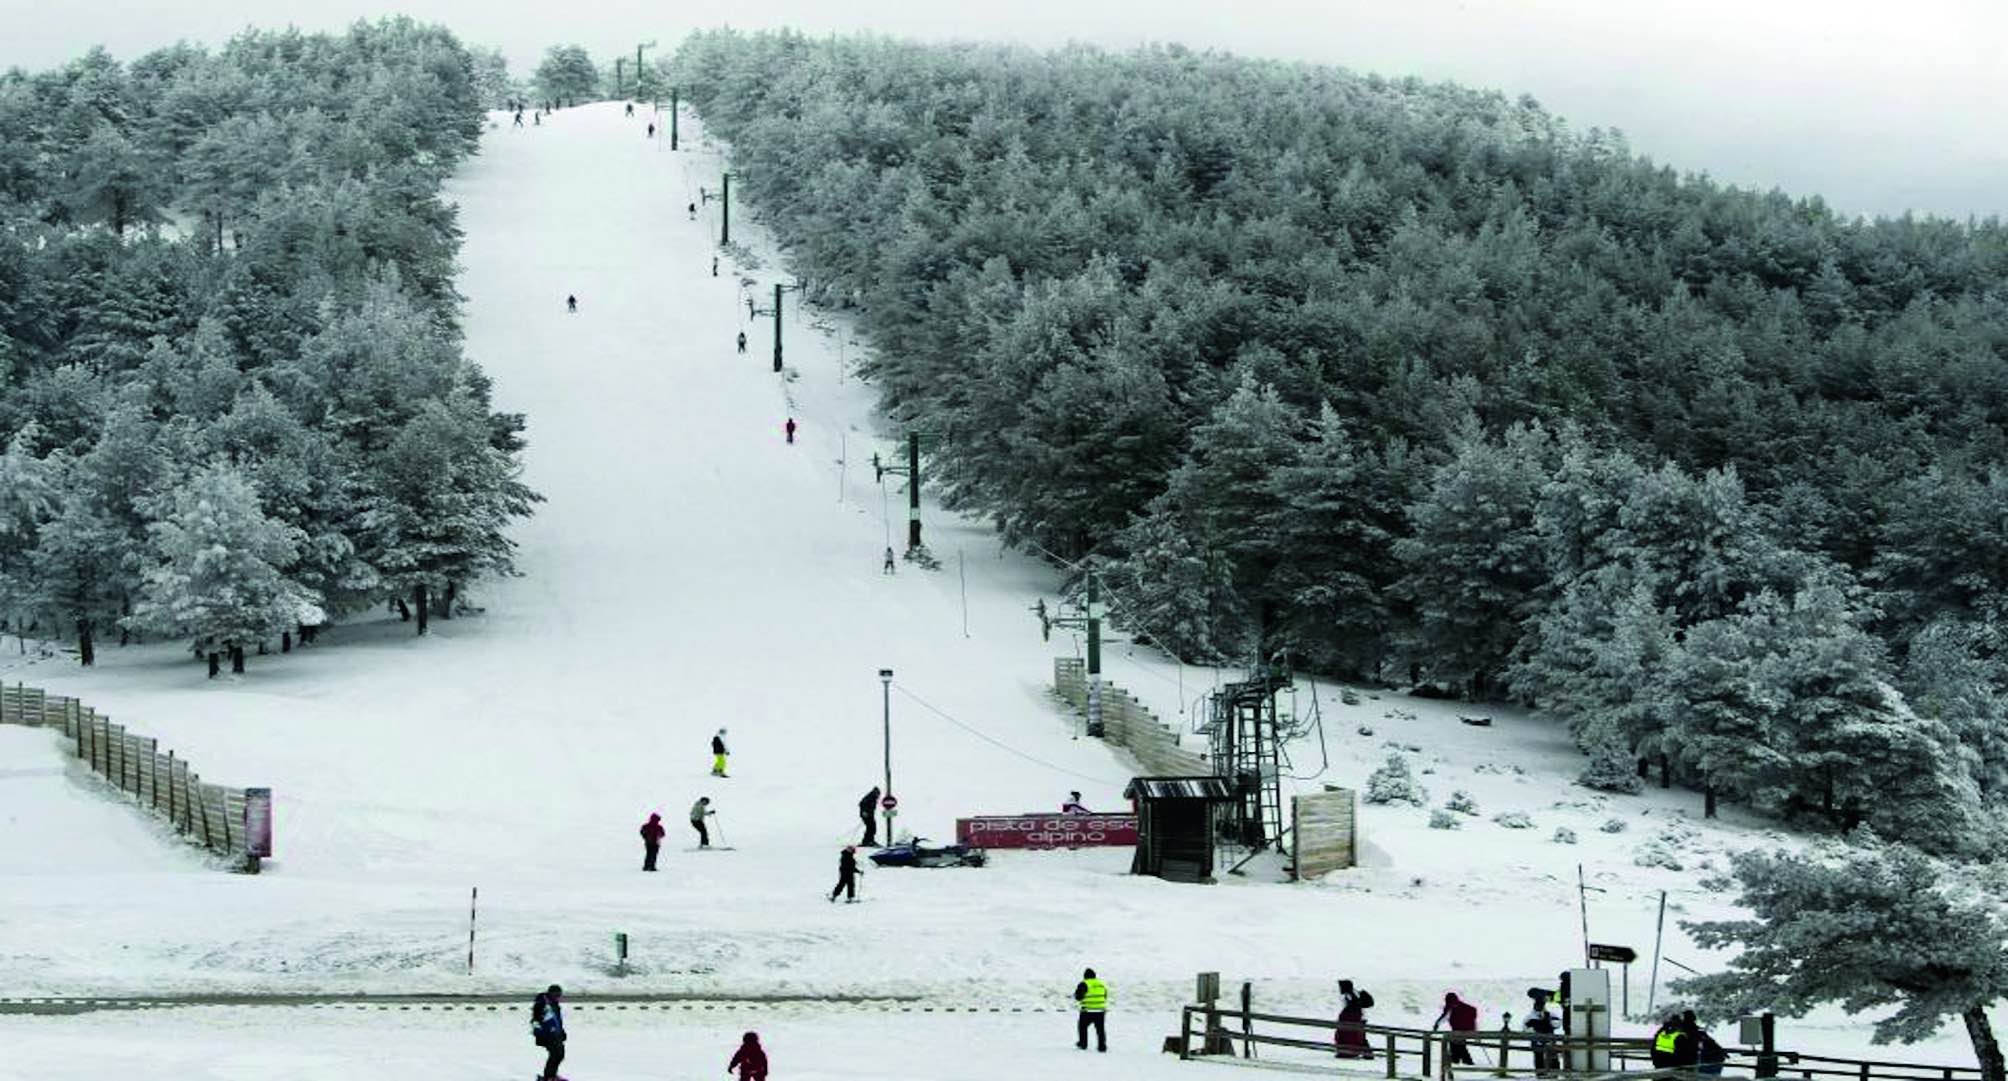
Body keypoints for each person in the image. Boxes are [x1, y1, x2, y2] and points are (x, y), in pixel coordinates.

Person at [531, 984, 565, 1080]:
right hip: (547, 1035)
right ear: (550, 993)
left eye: (559, 995)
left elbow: (557, 1019)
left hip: (556, 1033)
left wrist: (562, 1031)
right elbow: (535, 1021)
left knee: (559, 1054)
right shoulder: (541, 1004)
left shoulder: (554, 1004)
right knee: (555, 1054)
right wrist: (540, 1035)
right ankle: (548, 1077)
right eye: (556, 995)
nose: (558, 997)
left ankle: (552, 1075)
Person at [1434, 992, 1478, 1066]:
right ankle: (1460, 1060)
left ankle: (1462, 1060)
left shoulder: (1453, 1008)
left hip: (1460, 1030)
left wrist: (1437, 1025)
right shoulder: (1465, 1007)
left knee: (1457, 1043)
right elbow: (1473, 1013)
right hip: (1466, 1030)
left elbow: (1444, 1017)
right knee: (1457, 1043)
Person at [1334, 979, 1373, 1059]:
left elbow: (1351, 1008)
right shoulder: (1355, 993)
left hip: (1354, 1019)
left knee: (1351, 1036)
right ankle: (1366, 1053)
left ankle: (1348, 1052)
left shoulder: (1348, 995)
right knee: (1359, 1036)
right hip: (1360, 1018)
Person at [1524, 990, 1560, 1076]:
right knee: (1538, 1057)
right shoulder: (1530, 1017)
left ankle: (1554, 1072)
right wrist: (1534, 1030)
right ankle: (1540, 1074)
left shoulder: (1550, 1015)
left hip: (1550, 1039)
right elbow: (1526, 1029)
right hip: (1537, 1040)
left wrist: (1548, 1020)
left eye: (1541, 1006)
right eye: (1538, 1006)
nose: (1539, 1008)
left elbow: (1557, 1024)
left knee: (1552, 1056)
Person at [1074, 967, 1109, 1052]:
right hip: (1100, 1011)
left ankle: (1083, 1044)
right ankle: (1102, 1046)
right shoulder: (1102, 984)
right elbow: (1105, 996)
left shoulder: (1084, 983)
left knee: (1082, 1027)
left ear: (1085, 976)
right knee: (1100, 1029)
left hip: (1088, 1010)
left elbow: (1078, 997)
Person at [1684, 1011, 1723, 1075]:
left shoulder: (1693, 1030)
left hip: (1694, 1058)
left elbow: (1708, 1041)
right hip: (1694, 1059)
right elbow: (1708, 1041)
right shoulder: (1694, 1031)